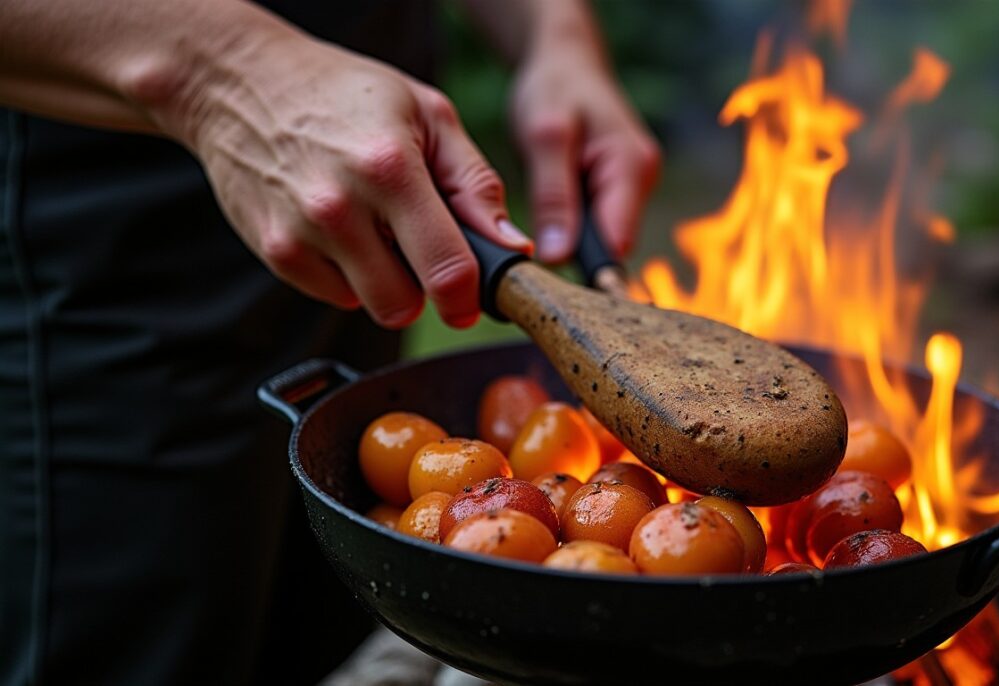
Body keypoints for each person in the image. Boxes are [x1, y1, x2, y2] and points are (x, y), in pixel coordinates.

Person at [0, 1, 660, 684]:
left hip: (365, 173)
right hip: (111, 239)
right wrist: (220, 74)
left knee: (327, 637)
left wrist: (554, 35)